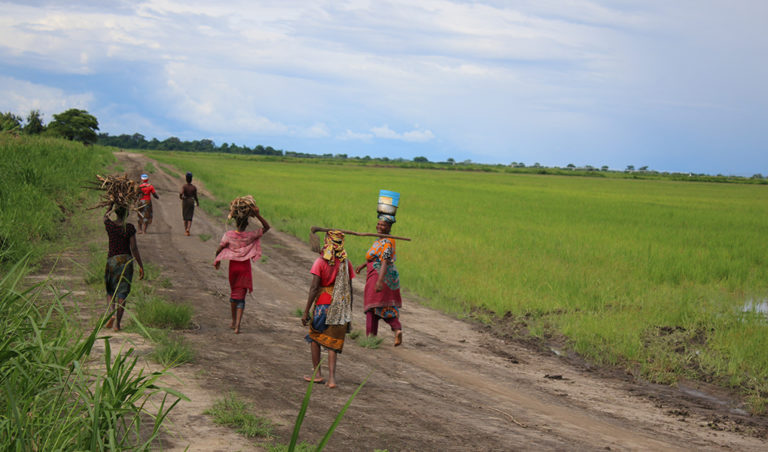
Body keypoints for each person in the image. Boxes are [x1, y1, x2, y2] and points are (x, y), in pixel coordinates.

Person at [302, 230, 354, 388]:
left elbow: (314, 288)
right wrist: (348, 312)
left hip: (323, 305)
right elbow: (350, 290)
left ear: (327, 242)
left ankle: (317, 374)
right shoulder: (346, 263)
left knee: (314, 337)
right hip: (340, 307)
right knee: (332, 342)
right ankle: (332, 379)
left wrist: (306, 312)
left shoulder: (320, 262)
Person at [213, 204, 270, 334]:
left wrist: (217, 260)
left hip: (233, 268)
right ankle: (238, 325)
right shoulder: (250, 236)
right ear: (247, 223)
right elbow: (267, 227)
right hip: (245, 268)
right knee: (242, 297)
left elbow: (219, 248)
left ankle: (233, 321)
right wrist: (257, 215)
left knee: (234, 293)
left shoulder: (228, 235)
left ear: (235, 221)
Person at [355, 214, 403, 346]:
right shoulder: (379, 241)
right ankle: (396, 328)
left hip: (380, 274)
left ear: (389, 227)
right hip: (378, 273)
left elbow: (384, 261)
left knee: (372, 306)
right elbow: (375, 257)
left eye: (383, 225)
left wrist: (379, 281)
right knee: (380, 305)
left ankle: (371, 338)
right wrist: (364, 265)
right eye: (379, 224)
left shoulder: (388, 242)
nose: (380, 227)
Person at [104, 205, 145, 331]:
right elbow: (133, 248)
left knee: (111, 291)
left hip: (112, 260)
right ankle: (117, 324)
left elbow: (105, 217)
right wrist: (140, 265)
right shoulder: (129, 228)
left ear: (115, 213)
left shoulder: (110, 226)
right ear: (127, 214)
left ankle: (111, 313)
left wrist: (110, 205)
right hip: (126, 262)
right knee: (122, 293)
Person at [179, 172, 199, 236]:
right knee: (190, 217)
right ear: (191, 179)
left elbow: (181, 193)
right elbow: (195, 196)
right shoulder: (194, 187)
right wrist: (197, 202)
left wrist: (181, 197)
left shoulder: (184, 186)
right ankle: (188, 229)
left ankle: (185, 230)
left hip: (185, 201)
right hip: (191, 201)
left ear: (186, 179)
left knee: (185, 217)